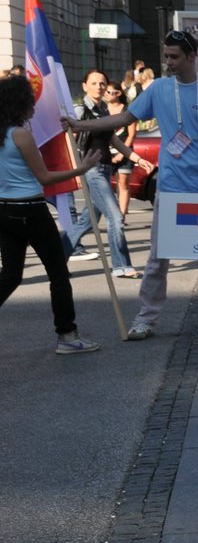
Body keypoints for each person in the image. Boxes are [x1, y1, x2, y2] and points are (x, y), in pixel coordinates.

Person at [65, 30, 198, 341]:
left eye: (175, 56)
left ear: (192, 56)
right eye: (167, 56)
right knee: (158, 257)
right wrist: (81, 125)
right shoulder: (160, 88)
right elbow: (122, 120)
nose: (169, 62)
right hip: (172, 190)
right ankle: (146, 319)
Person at [0, 73, 103, 354]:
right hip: (31, 210)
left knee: (10, 275)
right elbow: (44, 177)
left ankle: (68, 335)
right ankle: (67, 336)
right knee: (58, 272)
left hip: (4, 211)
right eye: (30, 101)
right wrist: (81, 169)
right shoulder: (21, 134)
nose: (34, 106)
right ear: (19, 103)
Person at [62, 70, 146, 278]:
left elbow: (113, 140)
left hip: (106, 168)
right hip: (91, 170)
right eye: (94, 83)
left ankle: (55, 260)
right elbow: (67, 140)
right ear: (85, 86)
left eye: (102, 84)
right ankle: (121, 266)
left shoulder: (104, 110)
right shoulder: (80, 111)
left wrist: (136, 158)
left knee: (86, 221)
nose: (99, 87)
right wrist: (76, 171)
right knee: (115, 217)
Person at [102, 82, 137, 216]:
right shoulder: (102, 110)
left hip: (124, 150)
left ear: (118, 93)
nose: (106, 94)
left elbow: (132, 134)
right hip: (107, 152)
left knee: (123, 183)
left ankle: (121, 215)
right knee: (106, 185)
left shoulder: (127, 111)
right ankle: (113, 213)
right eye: (105, 91)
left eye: (109, 92)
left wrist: (122, 154)